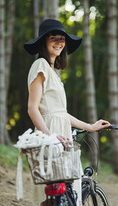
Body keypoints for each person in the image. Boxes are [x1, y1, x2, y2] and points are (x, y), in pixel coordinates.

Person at [24, 18, 111, 206]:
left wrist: (90, 126)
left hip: (61, 136)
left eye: (61, 39)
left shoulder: (52, 72)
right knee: (54, 194)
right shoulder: (40, 65)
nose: (59, 42)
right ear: (43, 42)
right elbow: (33, 108)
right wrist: (51, 137)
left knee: (65, 195)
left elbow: (61, 113)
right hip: (51, 135)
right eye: (53, 38)